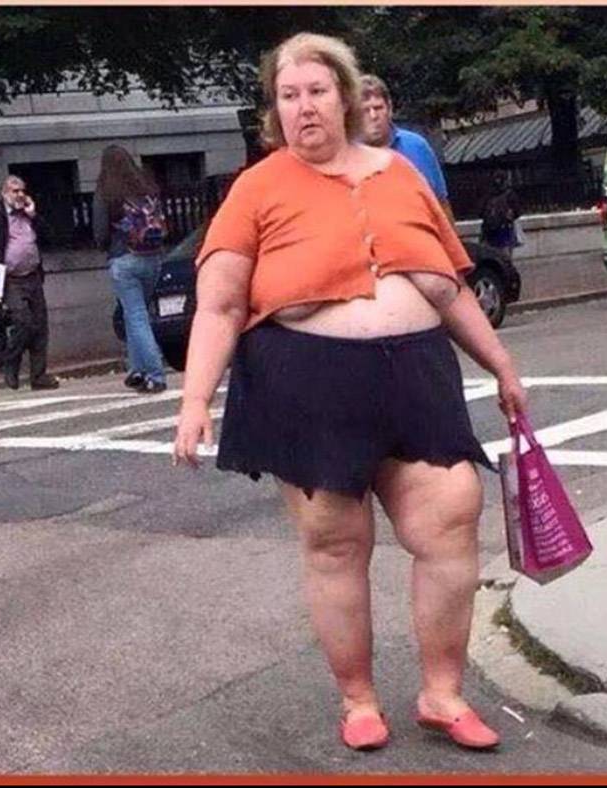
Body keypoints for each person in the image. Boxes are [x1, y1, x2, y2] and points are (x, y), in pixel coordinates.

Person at [173, 33, 527, 752]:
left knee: (452, 514)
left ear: (346, 95)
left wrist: (502, 367)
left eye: (316, 91)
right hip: (306, 381)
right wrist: (194, 400)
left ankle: (442, 693)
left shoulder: (402, 174)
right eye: (288, 96)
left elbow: (448, 289)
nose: (304, 107)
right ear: (275, 109)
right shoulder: (258, 188)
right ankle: (359, 699)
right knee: (336, 543)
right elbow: (219, 305)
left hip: (417, 375)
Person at [0, 175, 59, 390]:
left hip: (32, 276)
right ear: (4, 194)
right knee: (23, 322)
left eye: (22, 191)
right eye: (14, 191)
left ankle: (38, 376)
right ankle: (11, 361)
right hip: (9, 279)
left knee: (40, 326)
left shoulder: (29, 215)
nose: (20, 195)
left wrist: (34, 215)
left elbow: (51, 237)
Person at [93, 146, 168, 393]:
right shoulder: (146, 188)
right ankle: (137, 369)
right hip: (153, 257)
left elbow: (100, 232)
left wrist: (106, 247)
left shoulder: (107, 191)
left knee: (136, 316)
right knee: (134, 313)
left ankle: (155, 374)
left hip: (123, 258)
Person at [360, 74, 457, 225]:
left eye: (378, 108)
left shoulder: (416, 146)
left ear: (389, 109)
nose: (373, 116)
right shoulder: (346, 156)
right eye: (365, 110)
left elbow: (441, 205)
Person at [479, 171, 521, 259]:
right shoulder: (509, 194)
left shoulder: (489, 195)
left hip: (493, 229)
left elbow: (480, 212)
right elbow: (517, 212)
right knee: (503, 254)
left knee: (494, 254)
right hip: (501, 229)